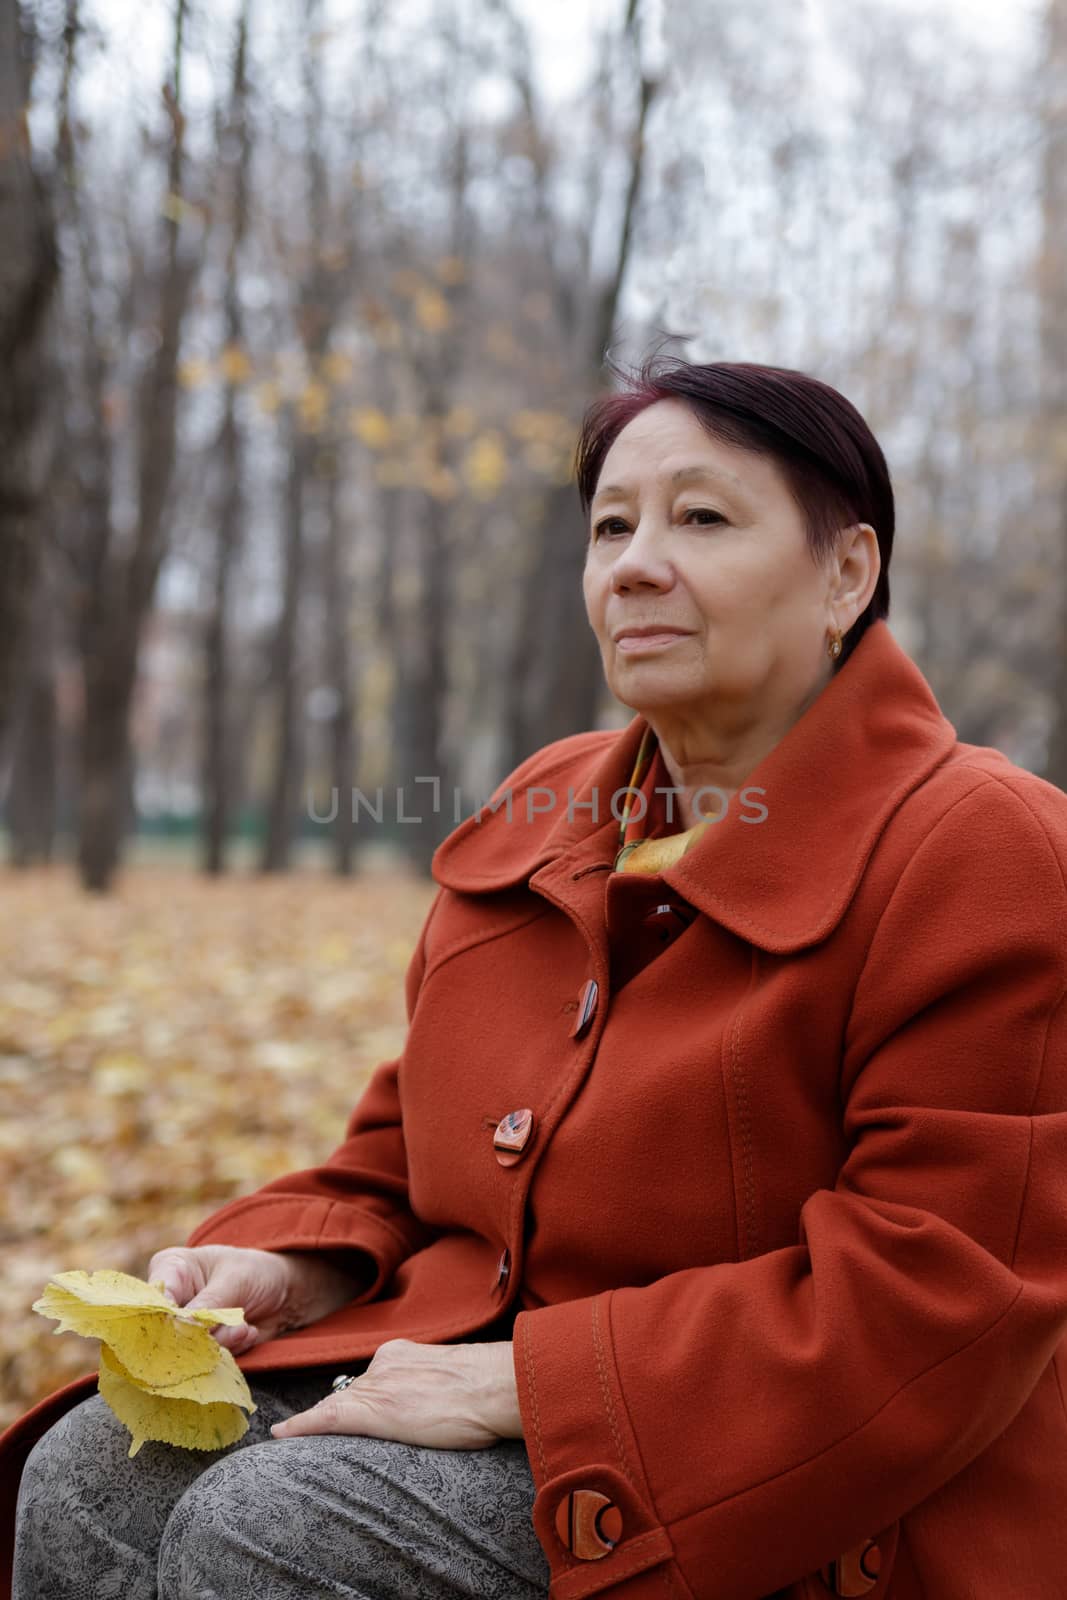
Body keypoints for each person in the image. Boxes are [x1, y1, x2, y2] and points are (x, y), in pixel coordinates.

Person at [5, 355, 1067, 1600]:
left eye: (701, 518)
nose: (633, 563)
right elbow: (406, 1153)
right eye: (611, 524)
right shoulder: (552, 805)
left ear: (847, 572)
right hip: (464, 1358)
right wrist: (292, 1264)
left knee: (279, 1528)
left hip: (778, 1477)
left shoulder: (982, 847)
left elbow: (935, 1299)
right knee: (87, 1473)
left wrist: (535, 1384)